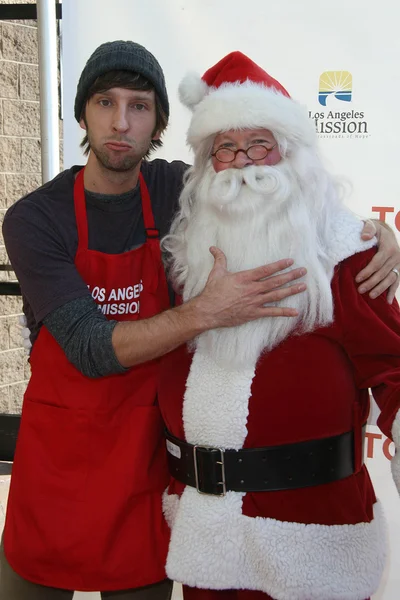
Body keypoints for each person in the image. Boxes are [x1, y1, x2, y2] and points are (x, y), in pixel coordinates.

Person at [0, 41, 398, 599]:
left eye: (139, 105)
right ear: (82, 112)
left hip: (147, 469)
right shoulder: (36, 218)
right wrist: (205, 311)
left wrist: (375, 237)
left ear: (159, 120)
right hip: (60, 460)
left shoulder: (176, 192)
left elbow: (282, 193)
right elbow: (90, 346)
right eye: (104, 102)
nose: (120, 122)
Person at [158, 51, 400, 600]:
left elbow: (394, 367)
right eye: (226, 147)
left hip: (314, 545)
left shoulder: (345, 253)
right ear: (206, 163)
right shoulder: (184, 256)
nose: (244, 162)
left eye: (259, 143)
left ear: (290, 153)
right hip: (206, 540)